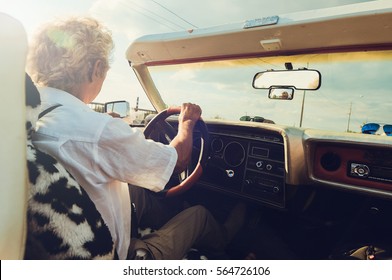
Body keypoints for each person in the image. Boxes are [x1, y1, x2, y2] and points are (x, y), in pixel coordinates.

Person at [27, 17, 244, 260]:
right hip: (115, 257)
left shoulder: (24, 117)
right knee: (199, 215)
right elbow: (178, 160)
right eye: (104, 73)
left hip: (53, 243)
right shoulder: (97, 130)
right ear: (95, 68)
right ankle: (230, 242)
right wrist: (187, 125)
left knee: (140, 193)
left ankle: (168, 221)